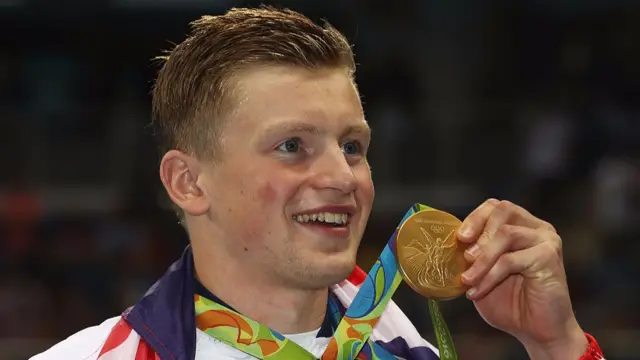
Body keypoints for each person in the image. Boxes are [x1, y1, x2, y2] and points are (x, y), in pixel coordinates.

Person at [31, 6, 605, 360]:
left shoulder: (402, 343)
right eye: (291, 147)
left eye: (352, 146)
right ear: (188, 182)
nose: (341, 177)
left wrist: (556, 346)